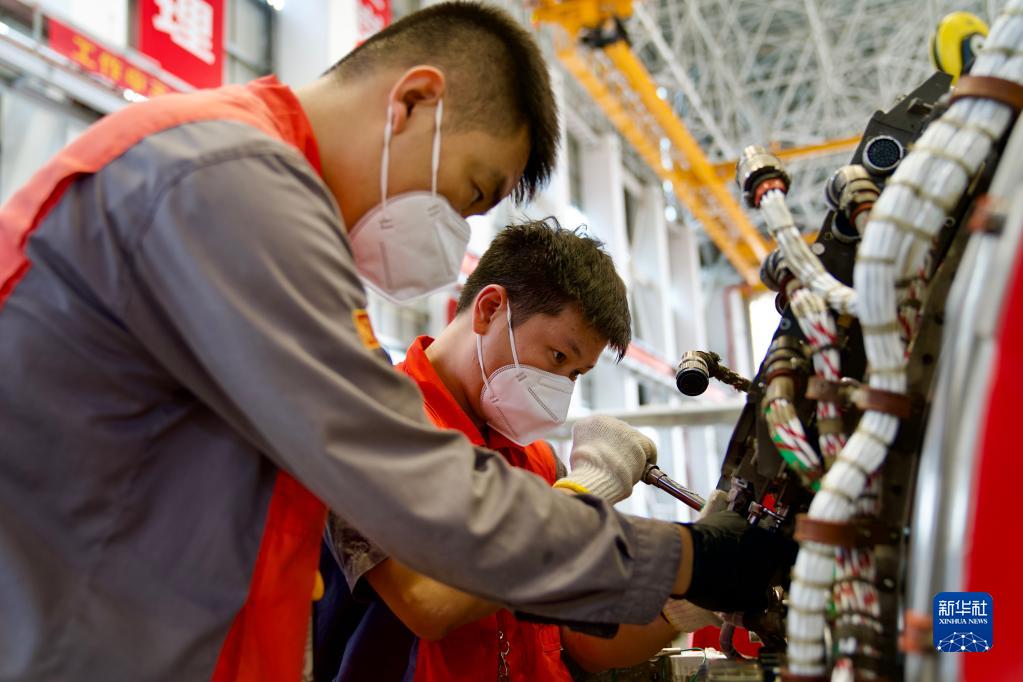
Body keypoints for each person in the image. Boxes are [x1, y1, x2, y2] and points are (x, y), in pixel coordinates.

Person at [0, 2, 790, 680]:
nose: (450, 231)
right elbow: (424, 504)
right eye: (466, 191)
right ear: (413, 100)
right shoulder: (232, 180)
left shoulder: (245, 188)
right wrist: (691, 558)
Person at [318, 220, 723, 681]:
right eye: (557, 358)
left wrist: (701, 594)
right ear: (490, 310)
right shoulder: (376, 424)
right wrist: (580, 499)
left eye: (576, 374)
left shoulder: (537, 463)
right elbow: (430, 603)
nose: (562, 387)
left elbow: (579, 641)